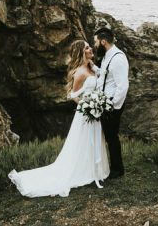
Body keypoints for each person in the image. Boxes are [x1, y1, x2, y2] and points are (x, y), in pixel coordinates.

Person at [8, 40, 110, 197]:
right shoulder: (79, 73)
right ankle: (82, 171)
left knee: (94, 139)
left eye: (90, 46)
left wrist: (97, 100)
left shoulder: (90, 66)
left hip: (95, 112)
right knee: (83, 142)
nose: (91, 49)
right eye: (87, 48)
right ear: (81, 52)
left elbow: (102, 76)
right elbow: (72, 95)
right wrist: (88, 105)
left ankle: (94, 170)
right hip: (86, 113)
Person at [92, 27, 129, 179]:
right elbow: (105, 75)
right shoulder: (108, 55)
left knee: (112, 137)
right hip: (106, 103)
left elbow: (123, 86)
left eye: (95, 42)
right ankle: (114, 166)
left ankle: (118, 169)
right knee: (109, 137)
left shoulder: (118, 58)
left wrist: (112, 106)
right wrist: (92, 66)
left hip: (113, 106)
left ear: (103, 41)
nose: (94, 45)